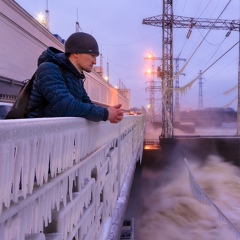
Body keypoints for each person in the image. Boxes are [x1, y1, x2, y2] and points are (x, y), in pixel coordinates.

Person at [27, 32, 124, 123]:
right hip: (36, 137)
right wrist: (106, 114)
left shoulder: (76, 78)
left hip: (54, 136)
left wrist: (108, 112)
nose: (95, 62)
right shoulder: (49, 69)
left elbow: (87, 105)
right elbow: (65, 106)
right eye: (92, 55)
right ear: (76, 53)